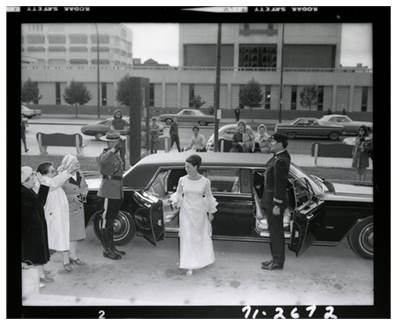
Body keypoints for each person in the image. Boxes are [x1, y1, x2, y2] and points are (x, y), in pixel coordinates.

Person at [168, 154, 218, 276]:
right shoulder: (182, 180)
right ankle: (189, 264)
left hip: (200, 211)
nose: (186, 169)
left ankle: (202, 260)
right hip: (186, 211)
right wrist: (176, 202)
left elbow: (209, 197)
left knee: (199, 236)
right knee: (187, 237)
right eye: (185, 167)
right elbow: (178, 194)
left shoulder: (205, 182)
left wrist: (210, 212)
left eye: (189, 167)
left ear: (196, 167)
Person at [36, 160, 80, 273]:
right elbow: (54, 184)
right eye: (52, 170)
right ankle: (40, 269)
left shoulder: (50, 180)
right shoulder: (42, 182)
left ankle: (65, 261)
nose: (55, 172)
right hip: (53, 217)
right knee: (47, 243)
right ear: (44, 173)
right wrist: (68, 171)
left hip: (60, 216)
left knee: (62, 239)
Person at [260, 133, 291, 270]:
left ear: (279, 144)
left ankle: (278, 262)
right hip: (271, 200)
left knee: (276, 232)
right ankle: (275, 258)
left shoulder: (281, 161)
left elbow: (281, 185)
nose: (270, 144)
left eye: (272, 142)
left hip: (274, 202)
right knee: (273, 231)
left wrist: (277, 205)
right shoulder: (278, 157)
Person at [97, 129, 126, 260]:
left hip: (116, 190)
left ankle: (111, 246)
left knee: (111, 219)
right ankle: (106, 249)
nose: (115, 143)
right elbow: (102, 162)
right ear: (108, 143)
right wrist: (114, 149)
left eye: (117, 141)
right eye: (113, 141)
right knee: (106, 220)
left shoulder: (116, 155)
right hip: (108, 190)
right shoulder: (106, 154)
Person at [21, 166, 53, 283]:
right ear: (25, 181)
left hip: (35, 224)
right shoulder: (23, 192)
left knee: (40, 249)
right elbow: (39, 202)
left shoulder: (26, 189)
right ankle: (40, 275)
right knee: (38, 251)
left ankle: (41, 270)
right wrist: (44, 185)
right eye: (32, 178)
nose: (35, 180)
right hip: (31, 227)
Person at [58, 155, 89, 266]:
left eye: (78, 163)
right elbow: (58, 196)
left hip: (79, 208)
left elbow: (85, 186)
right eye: (76, 163)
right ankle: (65, 260)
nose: (78, 165)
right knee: (67, 236)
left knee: (75, 234)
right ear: (69, 165)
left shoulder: (79, 173)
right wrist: (72, 198)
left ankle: (73, 256)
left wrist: (84, 193)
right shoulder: (62, 176)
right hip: (67, 210)